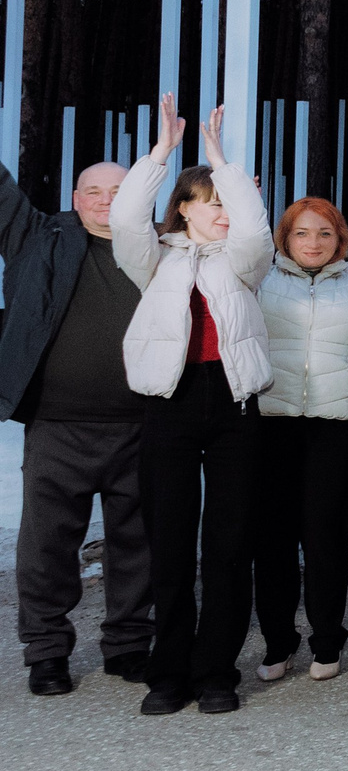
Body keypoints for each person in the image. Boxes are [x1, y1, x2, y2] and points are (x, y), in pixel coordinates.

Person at [110, 95, 273, 716]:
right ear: (183, 209)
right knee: (170, 539)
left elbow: (257, 231)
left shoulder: (244, 263)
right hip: (170, 404)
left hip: (232, 405)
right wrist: (161, 156)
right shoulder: (154, 259)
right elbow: (127, 221)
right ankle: (168, 672)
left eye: (229, 203)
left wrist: (220, 164)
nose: (225, 214)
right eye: (212, 203)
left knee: (229, 542)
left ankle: (216, 673)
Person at [7, 150, 149, 697]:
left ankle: (129, 644)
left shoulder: (158, 247)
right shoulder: (37, 237)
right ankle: (46, 652)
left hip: (139, 423)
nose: (107, 202)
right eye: (95, 192)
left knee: (137, 542)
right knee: (46, 546)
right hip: (57, 425)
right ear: (74, 199)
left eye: (120, 192)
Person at [250, 197, 348, 684]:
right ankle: (277, 642)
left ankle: (327, 639)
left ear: (341, 239)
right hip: (271, 421)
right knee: (272, 539)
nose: (313, 243)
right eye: (301, 233)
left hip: (337, 424)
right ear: (284, 239)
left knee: (326, 536)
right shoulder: (258, 278)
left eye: (325, 233)